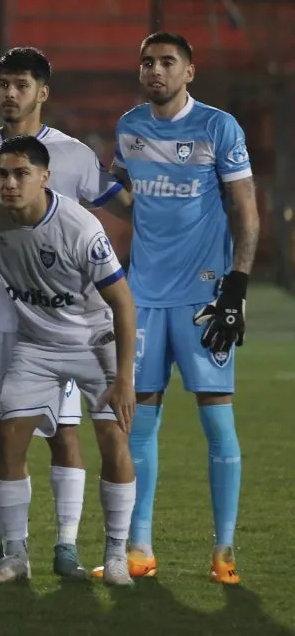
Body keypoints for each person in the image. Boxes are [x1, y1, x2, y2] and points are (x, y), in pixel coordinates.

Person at [0, 46, 132, 577]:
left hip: (84, 333)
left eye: (21, 84)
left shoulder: (77, 179)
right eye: (3, 84)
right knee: (0, 432)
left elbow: (125, 211)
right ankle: (3, 550)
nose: (10, 94)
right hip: (5, 316)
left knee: (77, 433)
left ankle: (97, 551)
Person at [95, 32, 258, 584]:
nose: (155, 70)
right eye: (147, 62)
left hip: (203, 297)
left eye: (167, 62)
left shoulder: (218, 127)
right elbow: (126, 194)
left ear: (190, 70)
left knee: (217, 417)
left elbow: (245, 209)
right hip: (142, 297)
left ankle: (224, 550)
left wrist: (236, 285)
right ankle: (138, 549)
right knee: (136, 423)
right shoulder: (131, 127)